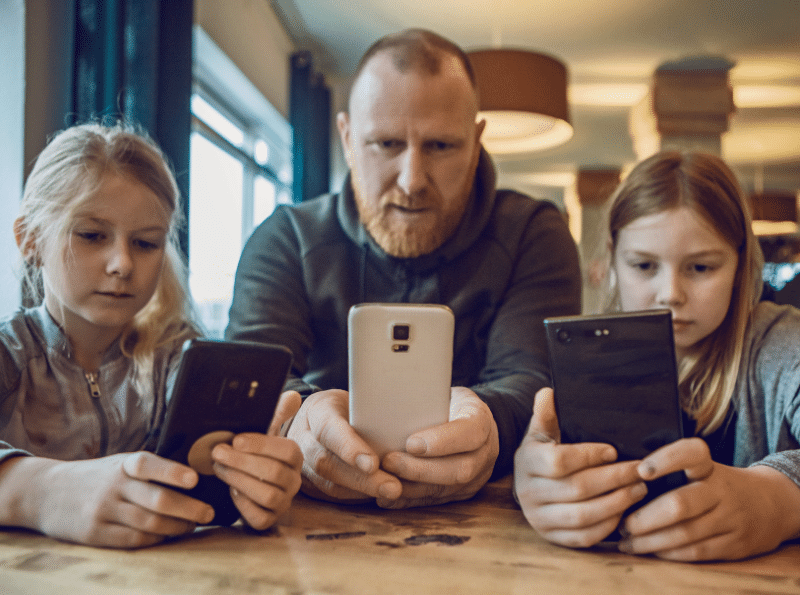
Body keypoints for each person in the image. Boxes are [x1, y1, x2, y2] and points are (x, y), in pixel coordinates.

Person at [226, 29, 581, 508]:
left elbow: (532, 381)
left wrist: (488, 424)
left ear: (476, 142)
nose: (413, 180)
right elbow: (250, 378)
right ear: (348, 139)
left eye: (440, 146)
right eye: (387, 144)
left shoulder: (533, 233)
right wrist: (303, 421)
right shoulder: (286, 238)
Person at [0, 122, 303, 549]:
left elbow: (213, 490)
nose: (122, 263)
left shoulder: (178, 363)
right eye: (92, 235)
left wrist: (256, 482)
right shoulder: (10, 354)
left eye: (145, 243)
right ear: (29, 239)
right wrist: (39, 492)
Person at [514, 150, 800, 562]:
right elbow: (548, 467)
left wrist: (775, 501)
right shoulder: (588, 362)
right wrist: (531, 477)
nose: (671, 293)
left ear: (741, 264)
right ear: (612, 260)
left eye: (701, 268)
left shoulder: (781, 346)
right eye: (645, 265)